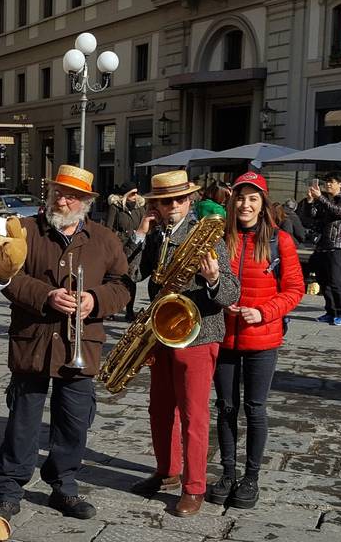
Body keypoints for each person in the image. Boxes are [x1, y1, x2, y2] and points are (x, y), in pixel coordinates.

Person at [0, 165, 131, 521]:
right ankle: (9, 489)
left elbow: (124, 286)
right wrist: (46, 295)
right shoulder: (24, 231)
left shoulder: (105, 238)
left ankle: (64, 487)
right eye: (57, 193)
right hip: (33, 341)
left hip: (81, 345)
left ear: (85, 201)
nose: (62, 200)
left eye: (70, 195)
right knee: (23, 419)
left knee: (73, 421)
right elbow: (6, 277)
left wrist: (95, 300)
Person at [126, 170, 240, 517]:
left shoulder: (208, 235)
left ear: (190, 200)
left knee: (193, 414)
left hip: (198, 333)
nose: (172, 205)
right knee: (159, 409)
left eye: (178, 199)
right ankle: (167, 472)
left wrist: (214, 277)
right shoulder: (156, 235)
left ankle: (194, 487)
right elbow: (131, 275)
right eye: (164, 201)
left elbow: (232, 291)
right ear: (155, 206)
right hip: (161, 333)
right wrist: (139, 236)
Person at [208, 172, 303, 510]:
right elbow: (208, 283)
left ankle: (251, 477)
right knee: (226, 407)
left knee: (255, 408)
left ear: (263, 204)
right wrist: (215, 288)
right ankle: (228, 472)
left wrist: (263, 312)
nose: (245, 204)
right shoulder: (220, 238)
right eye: (240, 197)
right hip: (225, 338)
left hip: (262, 339)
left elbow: (294, 289)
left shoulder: (280, 241)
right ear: (231, 201)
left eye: (253, 198)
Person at [298, 172, 341, 326]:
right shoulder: (324, 200)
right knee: (323, 280)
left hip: (337, 245)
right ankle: (330, 311)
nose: (328, 185)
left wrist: (320, 198)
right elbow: (310, 217)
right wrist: (309, 201)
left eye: (331, 182)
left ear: (340, 184)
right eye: (326, 182)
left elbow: (337, 211)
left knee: (336, 281)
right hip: (322, 245)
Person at [105, 181, 146, 321]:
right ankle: (110, 309)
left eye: (136, 193)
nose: (135, 196)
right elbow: (108, 228)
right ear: (126, 194)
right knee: (115, 278)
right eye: (132, 193)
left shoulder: (140, 208)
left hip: (135, 248)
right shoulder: (115, 207)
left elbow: (145, 225)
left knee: (130, 280)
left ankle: (129, 311)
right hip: (119, 247)